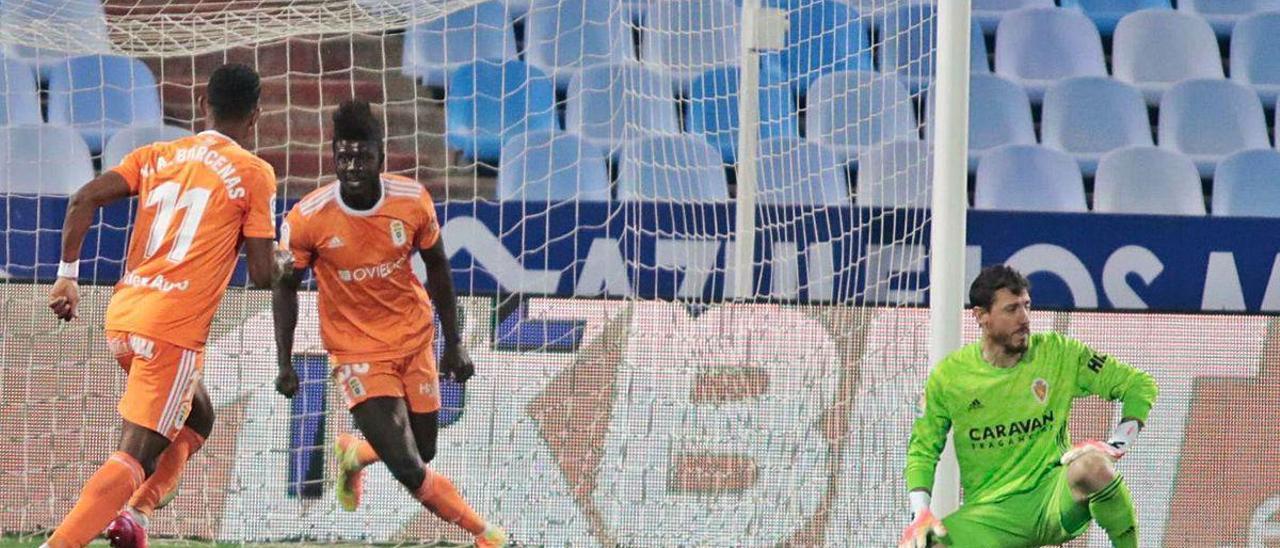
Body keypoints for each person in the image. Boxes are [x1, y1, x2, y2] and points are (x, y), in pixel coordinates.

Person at [44, 63, 279, 548]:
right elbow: (261, 274)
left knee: (199, 416)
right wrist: (290, 258)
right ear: (255, 116)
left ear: (202, 105)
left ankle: (135, 516)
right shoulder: (255, 173)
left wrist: (67, 277)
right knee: (135, 457)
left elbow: (82, 199)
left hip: (124, 318)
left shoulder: (157, 154)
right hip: (171, 330)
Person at [272, 100, 505, 547]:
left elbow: (438, 268)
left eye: (361, 155)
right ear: (333, 154)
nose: (351, 165)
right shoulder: (308, 217)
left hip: (414, 337)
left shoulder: (411, 200)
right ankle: (484, 534)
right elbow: (286, 285)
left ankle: (355, 452)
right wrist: (284, 360)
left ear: (380, 155)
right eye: (343, 155)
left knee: (424, 449)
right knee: (410, 468)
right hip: (356, 350)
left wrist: (454, 342)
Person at [900, 265, 1158, 548]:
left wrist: (1118, 443)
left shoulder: (1058, 353)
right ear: (981, 316)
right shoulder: (950, 377)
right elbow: (923, 450)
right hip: (989, 517)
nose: (1024, 318)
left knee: (1093, 465)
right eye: (1011, 309)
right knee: (919, 543)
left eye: (1027, 306)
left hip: (1053, 500)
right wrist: (920, 511)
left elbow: (1139, 385)